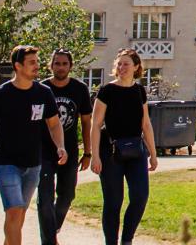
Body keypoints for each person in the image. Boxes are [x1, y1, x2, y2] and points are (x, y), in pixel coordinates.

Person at [0, 45, 67, 245]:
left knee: (19, 214)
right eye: (32, 62)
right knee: (14, 210)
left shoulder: (43, 93)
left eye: (37, 61)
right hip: (6, 163)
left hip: (33, 164)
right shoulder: (0, 94)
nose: (37, 66)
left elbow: (54, 124)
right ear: (18, 66)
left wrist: (60, 146)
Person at [89, 48, 157, 245]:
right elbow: (95, 124)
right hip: (110, 152)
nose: (122, 67)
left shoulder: (139, 91)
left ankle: (127, 240)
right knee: (113, 201)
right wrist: (95, 156)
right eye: (119, 64)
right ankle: (111, 241)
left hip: (136, 151)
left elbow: (146, 124)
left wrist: (153, 153)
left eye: (126, 64)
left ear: (136, 67)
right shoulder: (107, 91)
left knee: (140, 197)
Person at [37, 51, 94, 245]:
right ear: (50, 65)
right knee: (45, 197)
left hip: (69, 150)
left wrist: (88, 152)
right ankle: (49, 241)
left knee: (67, 194)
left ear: (70, 65)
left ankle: (51, 230)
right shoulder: (42, 88)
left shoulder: (80, 89)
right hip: (43, 151)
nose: (60, 67)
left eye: (64, 63)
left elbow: (87, 122)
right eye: (57, 63)